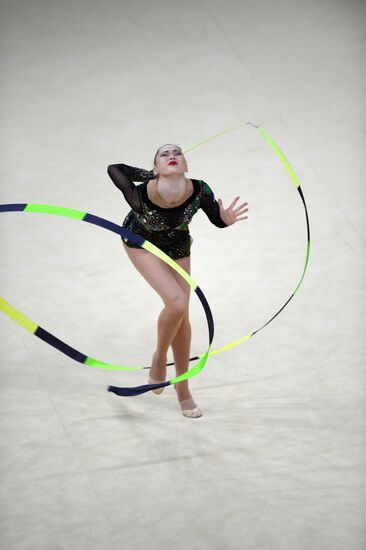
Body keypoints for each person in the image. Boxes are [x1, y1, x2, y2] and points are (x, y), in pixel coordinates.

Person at [107, 144, 248, 418]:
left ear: (186, 166)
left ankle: (183, 390)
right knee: (175, 302)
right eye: (164, 154)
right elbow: (114, 169)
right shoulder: (139, 195)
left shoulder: (200, 190)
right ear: (157, 168)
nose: (172, 155)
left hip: (178, 245)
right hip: (141, 242)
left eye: (177, 153)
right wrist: (147, 174)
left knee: (182, 314)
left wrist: (226, 220)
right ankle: (159, 359)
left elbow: (216, 219)